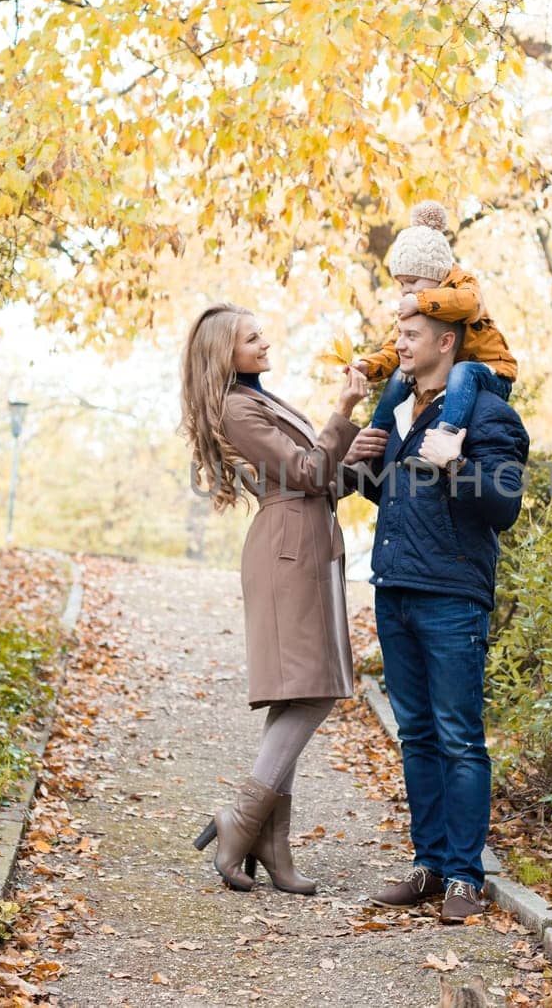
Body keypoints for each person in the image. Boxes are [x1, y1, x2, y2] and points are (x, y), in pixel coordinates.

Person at [341, 307, 530, 922]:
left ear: (446, 342)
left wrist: (457, 462)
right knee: (416, 735)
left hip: (451, 596)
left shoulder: (486, 412)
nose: (398, 343)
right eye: (397, 334)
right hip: (393, 588)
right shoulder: (398, 408)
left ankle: (464, 879)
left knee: (459, 739)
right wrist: (364, 458)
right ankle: (427, 865)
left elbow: (504, 505)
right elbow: (387, 491)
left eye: (410, 336)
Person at [180, 302, 369, 894]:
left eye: (262, 334)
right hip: (287, 547)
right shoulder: (238, 410)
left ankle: (271, 841)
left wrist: (351, 452)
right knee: (313, 694)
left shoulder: (264, 401)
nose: (265, 344)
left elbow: (322, 473)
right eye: (251, 339)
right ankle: (241, 818)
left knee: (298, 694)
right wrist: (341, 413)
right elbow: (307, 474)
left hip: (306, 542)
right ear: (224, 354)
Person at [352, 202, 517, 471]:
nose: (406, 290)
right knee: (399, 378)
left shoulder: (460, 284)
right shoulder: (415, 307)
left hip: (491, 373)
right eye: (402, 284)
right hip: (454, 378)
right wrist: (367, 366)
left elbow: (471, 304)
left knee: (462, 371)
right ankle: (374, 448)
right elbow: (397, 347)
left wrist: (420, 301)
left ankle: (443, 440)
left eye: (412, 282)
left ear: (434, 273)